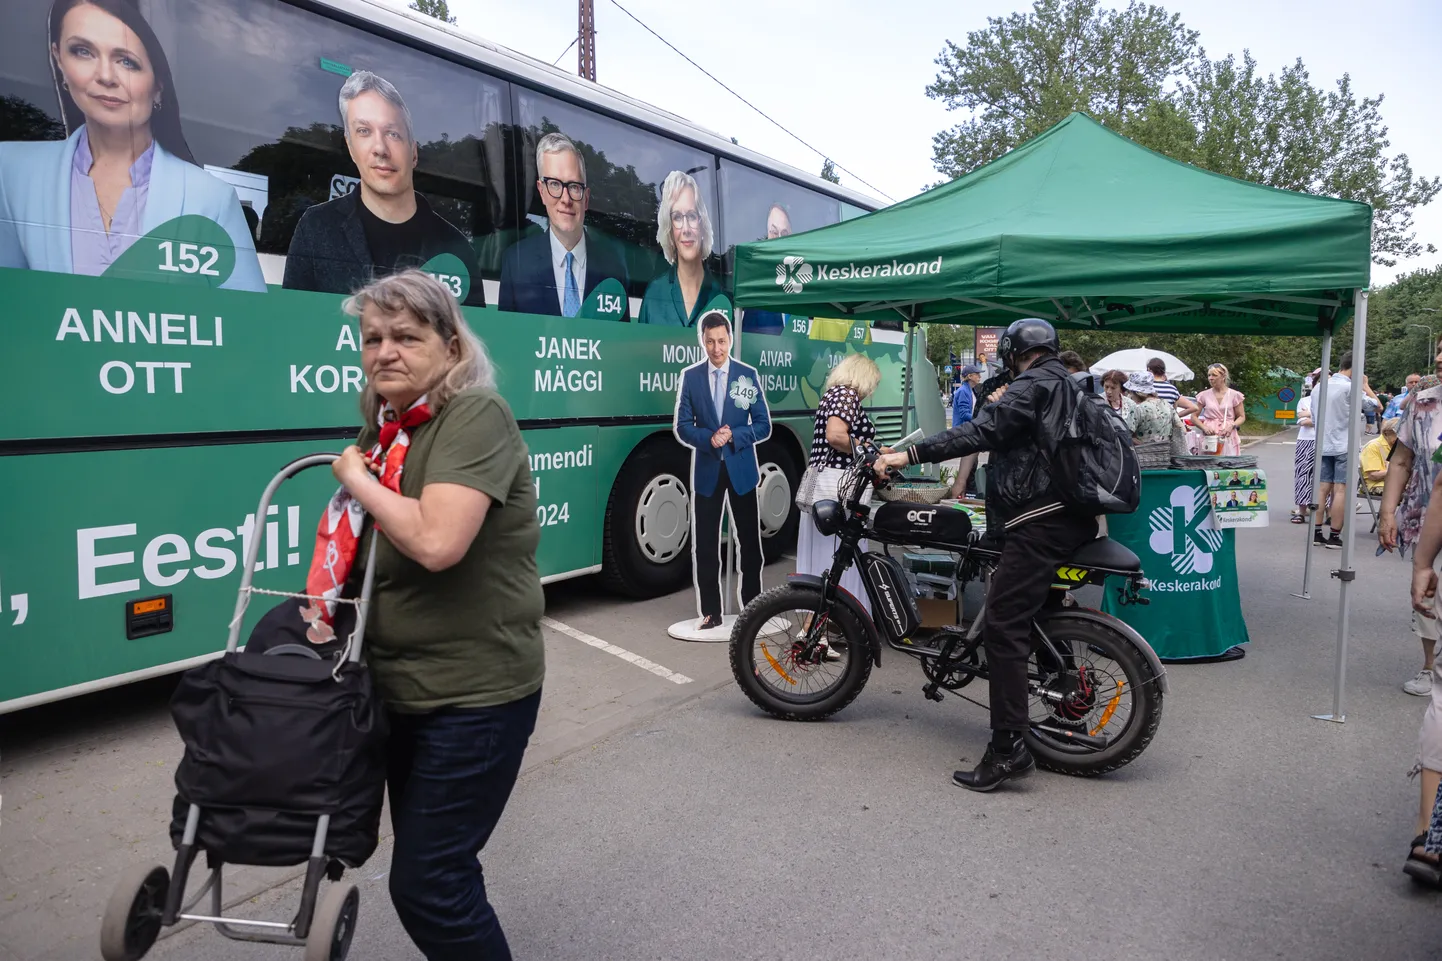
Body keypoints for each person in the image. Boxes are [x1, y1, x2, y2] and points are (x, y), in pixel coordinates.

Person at [321, 269, 542, 959]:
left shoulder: (474, 416)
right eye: (372, 338)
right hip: (400, 688)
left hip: (474, 695)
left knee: (429, 881)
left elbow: (437, 541)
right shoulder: (388, 430)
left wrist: (356, 477)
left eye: (406, 336)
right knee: (436, 869)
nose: (384, 350)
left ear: (450, 347)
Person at [874, 318, 1098, 793]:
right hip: (1063, 516)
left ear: (1015, 351)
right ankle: (1062, 704)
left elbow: (979, 433)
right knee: (1029, 605)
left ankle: (1008, 750)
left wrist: (908, 457)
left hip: (1038, 522)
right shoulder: (1069, 383)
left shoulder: (1033, 385)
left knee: (1004, 625)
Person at [0, 0, 264, 291]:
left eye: (127, 61)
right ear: (58, 59)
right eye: (83, 51)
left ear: (158, 83)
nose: (105, 76)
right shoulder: (10, 171)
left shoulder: (211, 197)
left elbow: (244, 321)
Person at [283, 71, 485, 307]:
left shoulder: (456, 248)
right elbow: (293, 329)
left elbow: (468, 340)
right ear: (350, 147)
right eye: (364, 131)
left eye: (392, 133)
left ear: (414, 152)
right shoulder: (315, 229)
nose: (380, 148)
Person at [673, 310, 771, 629]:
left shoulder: (746, 375)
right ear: (702, 341)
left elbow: (763, 425)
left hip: (741, 470)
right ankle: (712, 612)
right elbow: (683, 426)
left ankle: (754, 605)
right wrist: (709, 438)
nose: (717, 348)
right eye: (711, 341)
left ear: (731, 339)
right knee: (705, 547)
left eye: (722, 341)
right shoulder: (691, 377)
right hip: (708, 472)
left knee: (750, 545)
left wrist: (736, 435)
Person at [497, 131, 629, 318]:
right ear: (542, 191)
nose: (565, 199)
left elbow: (620, 344)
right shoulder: (516, 263)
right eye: (555, 185)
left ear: (586, 198)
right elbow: (508, 341)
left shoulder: (613, 268)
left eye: (574, 187)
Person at [1380, 343, 1442, 695]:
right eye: (1438, 352)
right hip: (1424, 511)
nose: (1439, 359)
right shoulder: (1423, 403)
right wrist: (1388, 513)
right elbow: (1401, 461)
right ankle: (1430, 667)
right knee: (1425, 591)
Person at [797, 354, 879, 619]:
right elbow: (835, 436)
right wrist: (867, 451)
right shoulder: (847, 395)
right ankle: (822, 628)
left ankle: (816, 626)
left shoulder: (834, 394)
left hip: (826, 488)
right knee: (835, 557)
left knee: (823, 559)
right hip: (838, 490)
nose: (870, 392)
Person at [1305, 351, 1379, 548]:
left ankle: (1317, 532)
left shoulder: (1318, 388)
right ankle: (1335, 535)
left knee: (1321, 488)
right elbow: (1376, 406)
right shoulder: (1351, 388)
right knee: (1341, 490)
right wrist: (1365, 385)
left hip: (1322, 443)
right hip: (1344, 444)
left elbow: (1313, 415)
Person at [638, 170, 724, 326]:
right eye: (677, 217)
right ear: (669, 230)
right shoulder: (654, 293)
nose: (686, 229)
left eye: (691, 216)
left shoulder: (720, 297)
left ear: (702, 223)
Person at [1177, 363, 1246, 456]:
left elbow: (1241, 417)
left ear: (1223, 376)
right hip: (1209, 436)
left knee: (1228, 464)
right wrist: (1204, 427)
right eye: (1209, 375)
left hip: (1227, 434)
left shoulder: (1235, 395)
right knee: (1208, 464)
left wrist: (1232, 426)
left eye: (1214, 375)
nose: (1210, 378)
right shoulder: (1203, 395)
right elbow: (1194, 417)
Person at [948, 364, 983, 497]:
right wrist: (979, 419)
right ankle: (969, 493)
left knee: (972, 465)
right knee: (970, 466)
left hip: (968, 431)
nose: (979, 376)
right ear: (970, 376)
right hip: (964, 432)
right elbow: (964, 414)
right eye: (977, 374)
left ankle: (969, 492)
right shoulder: (963, 391)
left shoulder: (971, 391)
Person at [1123, 372, 1178, 445]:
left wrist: (1146, 446)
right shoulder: (1167, 405)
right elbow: (1181, 429)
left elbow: (1126, 435)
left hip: (1142, 454)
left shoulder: (1138, 408)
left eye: (1130, 392)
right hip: (1165, 453)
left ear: (1136, 392)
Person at [1291, 386, 1317, 524]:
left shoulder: (1334, 400)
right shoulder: (1305, 400)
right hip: (1306, 441)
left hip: (1328, 441)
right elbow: (1303, 422)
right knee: (1303, 475)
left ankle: (1328, 513)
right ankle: (1301, 511)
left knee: (1327, 478)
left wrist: (1309, 414)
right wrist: (1323, 419)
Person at [1361, 419, 1398, 496]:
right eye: (1397, 434)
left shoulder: (1397, 446)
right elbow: (1373, 475)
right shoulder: (1373, 446)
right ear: (1386, 433)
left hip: (1394, 483)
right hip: (1377, 485)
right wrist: (1396, 471)